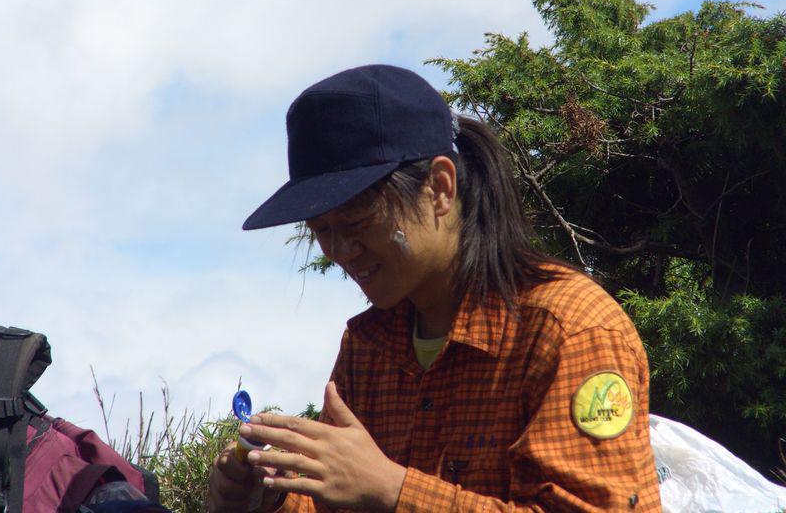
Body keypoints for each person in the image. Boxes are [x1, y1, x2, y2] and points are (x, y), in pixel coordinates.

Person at [208, 64, 662, 512]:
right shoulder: (370, 347)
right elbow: (338, 497)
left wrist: (394, 491)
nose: (341, 250)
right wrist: (271, 498)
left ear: (440, 188)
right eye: (321, 230)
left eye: (358, 221)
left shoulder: (571, 332)